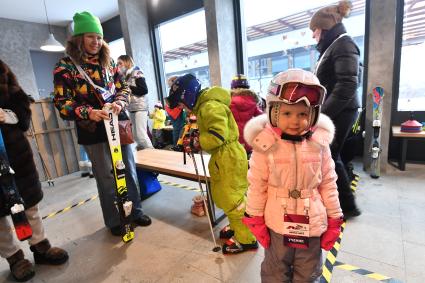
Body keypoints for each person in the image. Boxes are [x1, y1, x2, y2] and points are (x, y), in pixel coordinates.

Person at [53, 11, 151, 237]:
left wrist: (119, 102)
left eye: (99, 37)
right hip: (92, 129)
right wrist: (89, 112)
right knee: (105, 177)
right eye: (90, 37)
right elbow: (62, 103)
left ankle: (135, 211)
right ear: (78, 38)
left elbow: (124, 88)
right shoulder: (64, 67)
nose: (96, 42)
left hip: (120, 125)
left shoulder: (109, 63)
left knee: (129, 170)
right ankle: (114, 219)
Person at [243, 69, 343, 282]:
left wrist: (335, 217)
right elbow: (257, 185)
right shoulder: (265, 146)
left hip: (312, 224)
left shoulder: (320, 146)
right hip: (276, 225)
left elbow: (328, 183)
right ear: (274, 112)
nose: (296, 121)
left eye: (303, 114)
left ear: (313, 115)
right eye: (287, 113)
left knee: (309, 274)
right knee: (274, 273)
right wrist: (254, 216)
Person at [167, 74, 257, 254]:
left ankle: (247, 238)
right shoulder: (205, 106)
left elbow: (218, 135)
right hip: (224, 156)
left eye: (181, 103)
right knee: (226, 195)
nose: (181, 108)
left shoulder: (209, 107)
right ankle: (236, 227)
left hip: (228, 157)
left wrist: (197, 142)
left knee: (233, 199)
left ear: (187, 96)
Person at [0, 59, 68, 282]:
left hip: (17, 158)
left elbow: (24, 116)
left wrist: (7, 116)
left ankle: (40, 248)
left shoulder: (3, 73)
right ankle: (15, 258)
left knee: (30, 207)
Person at [310, 0, 361, 218]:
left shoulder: (343, 43)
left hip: (341, 111)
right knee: (331, 154)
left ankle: (347, 205)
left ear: (324, 28)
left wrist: (321, 115)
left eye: (315, 30)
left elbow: (347, 85)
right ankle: (343, 202)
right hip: (339, 110)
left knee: (330, 154)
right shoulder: (336, 45)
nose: (313, 36)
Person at [117, 54, 153, 150]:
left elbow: (143, 90)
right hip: (132, 107)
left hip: (140, 107)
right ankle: (146, 160)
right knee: (135, 136)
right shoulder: (125, 76)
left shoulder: (136, 72)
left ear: (127, 62)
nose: (118, 66)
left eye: (120, 63)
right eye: (118, 64)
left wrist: (128, 87)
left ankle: (154, 154)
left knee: (141, 135)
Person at [229, 74, 263, 156]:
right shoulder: (252, 101)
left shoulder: (228, 102)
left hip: (234, 138)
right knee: (249, 160)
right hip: (248, 136)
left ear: (233, 87)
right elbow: (262, 118)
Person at [165, 76, 186, 150]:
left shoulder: (172, 90)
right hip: (176, 112)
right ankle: (177, 146)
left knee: (177, 129)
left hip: (173, 113)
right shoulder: (175, 89)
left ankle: (176, 145)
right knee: (178, 129)